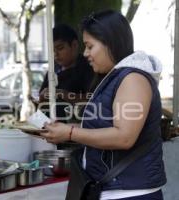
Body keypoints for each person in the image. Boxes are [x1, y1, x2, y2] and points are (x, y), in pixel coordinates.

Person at [41, 10, 166, 200]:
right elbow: (103, 127)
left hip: (130, 193)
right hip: (113, 189)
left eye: (90, 46)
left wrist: (70, 133)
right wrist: (65, 128)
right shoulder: (116, 77)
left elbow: (124, 137)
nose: (85, 54)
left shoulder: (133, 79)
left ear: (110, 43)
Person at [39, 24, 96, 122]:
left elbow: (92, 99)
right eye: (52, 50)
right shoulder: (53, 69)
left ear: (74, 45)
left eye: (60, 48)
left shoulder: (89, 68)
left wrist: (61, 94)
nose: (55, 54)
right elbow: (41, 99)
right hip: (46, 123)